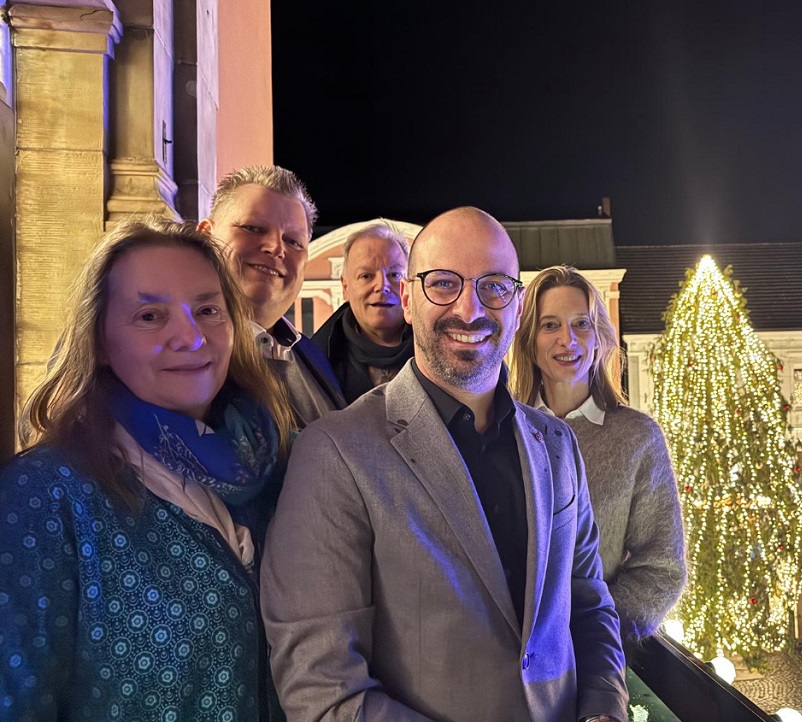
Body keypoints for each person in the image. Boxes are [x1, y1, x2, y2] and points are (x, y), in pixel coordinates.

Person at [261, 206, 628, 722]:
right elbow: (323, 689)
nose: (470, 309)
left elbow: (589, 604)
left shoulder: (557, 445)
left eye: (495, 286)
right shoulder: (334, 453)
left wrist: (603, 710)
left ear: (518, 306)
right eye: (443, 283)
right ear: (409, 300)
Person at [0, 214, 294, 719]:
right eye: (150, 317)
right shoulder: (44, 496)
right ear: (99, 342)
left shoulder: (277, 465)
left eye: (207, 310)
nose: (192, 337)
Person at [509, 264, 686, 655]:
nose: (566, 340)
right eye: (550, 325)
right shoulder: (504, 429)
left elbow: (661, 572)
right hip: (503, 659)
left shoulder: (637, 437)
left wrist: (591, 635)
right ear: (529, 340)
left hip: (591, 664)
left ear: (600, 338)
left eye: (581, 325)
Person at [198, 164, 347, 424]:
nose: (276, 248)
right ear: (205, 237)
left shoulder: (311, 356)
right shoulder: (181, 355)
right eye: (253, 228)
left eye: (293, 241)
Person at [311, 220, 414, 403]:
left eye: (395, 275)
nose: (382, 286)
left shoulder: (438, 348)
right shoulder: (315, 364)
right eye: (366, 276)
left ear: (409, 285)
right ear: (345, 288)